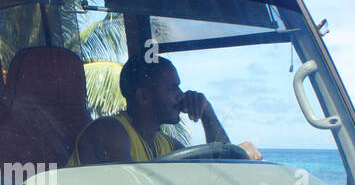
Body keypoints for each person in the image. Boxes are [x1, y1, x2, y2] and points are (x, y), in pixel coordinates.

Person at [69, 53, 258, 165]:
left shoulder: (168, 145)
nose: (181, 95)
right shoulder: (109, 132)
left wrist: (207, 113)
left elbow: (220, 173)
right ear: (143, 96)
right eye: (172, 88)